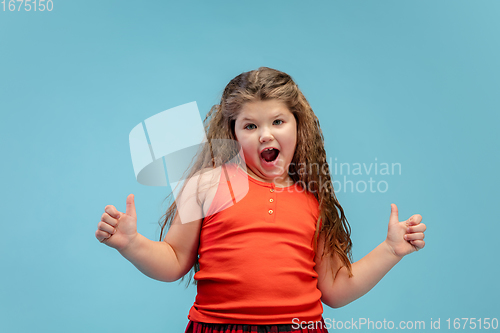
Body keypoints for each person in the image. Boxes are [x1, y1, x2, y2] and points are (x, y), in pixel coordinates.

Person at [95, 67, 427, 333]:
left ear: (299, 126)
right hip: (218, 328)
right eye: (250, 125)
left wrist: (390, 250)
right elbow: (173, 260)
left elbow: (336, 290)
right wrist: (132, 244)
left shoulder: (312, 199)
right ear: (234, 133)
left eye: (278, 122)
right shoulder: (207, 186)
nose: (265, 134)